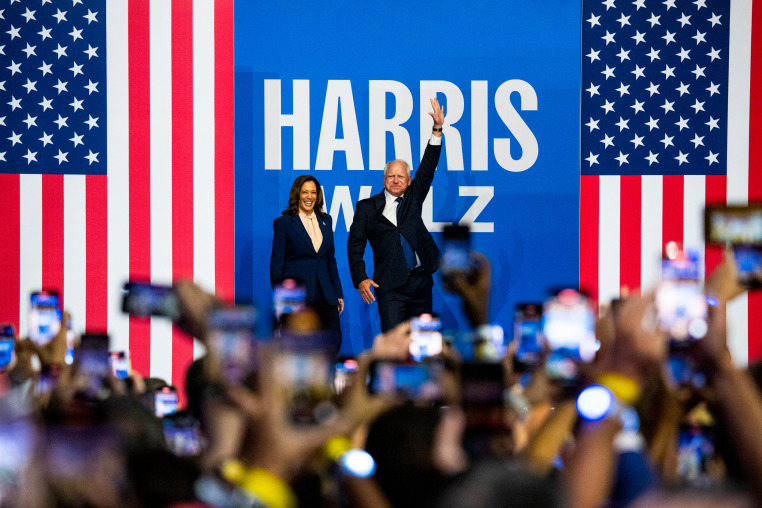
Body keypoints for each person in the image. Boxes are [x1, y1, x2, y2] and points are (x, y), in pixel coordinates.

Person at [347, 98, 445, 332]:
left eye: (401, 176)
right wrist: (360, 278)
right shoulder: (367, 208)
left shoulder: (413, 198)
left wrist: (437, 130)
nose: (396, 180)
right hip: (390, 287)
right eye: (391, 176)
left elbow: (428, 166)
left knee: (423, 344)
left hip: (421, 282)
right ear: (384, 180)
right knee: (393, 346)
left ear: (409, 181)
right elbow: (355, 245)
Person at [270, 175, 344, 352]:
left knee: (333, 341)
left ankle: (328, 379)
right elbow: (276, 264)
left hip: (326, 295)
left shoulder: (326, 221)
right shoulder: (284, 223)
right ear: (297, 194)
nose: (309, 196)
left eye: (313, 192)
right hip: (298, 296)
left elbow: (330, 260)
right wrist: (281, 299)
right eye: (305, 192)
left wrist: (338, 293)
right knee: (298, 345)